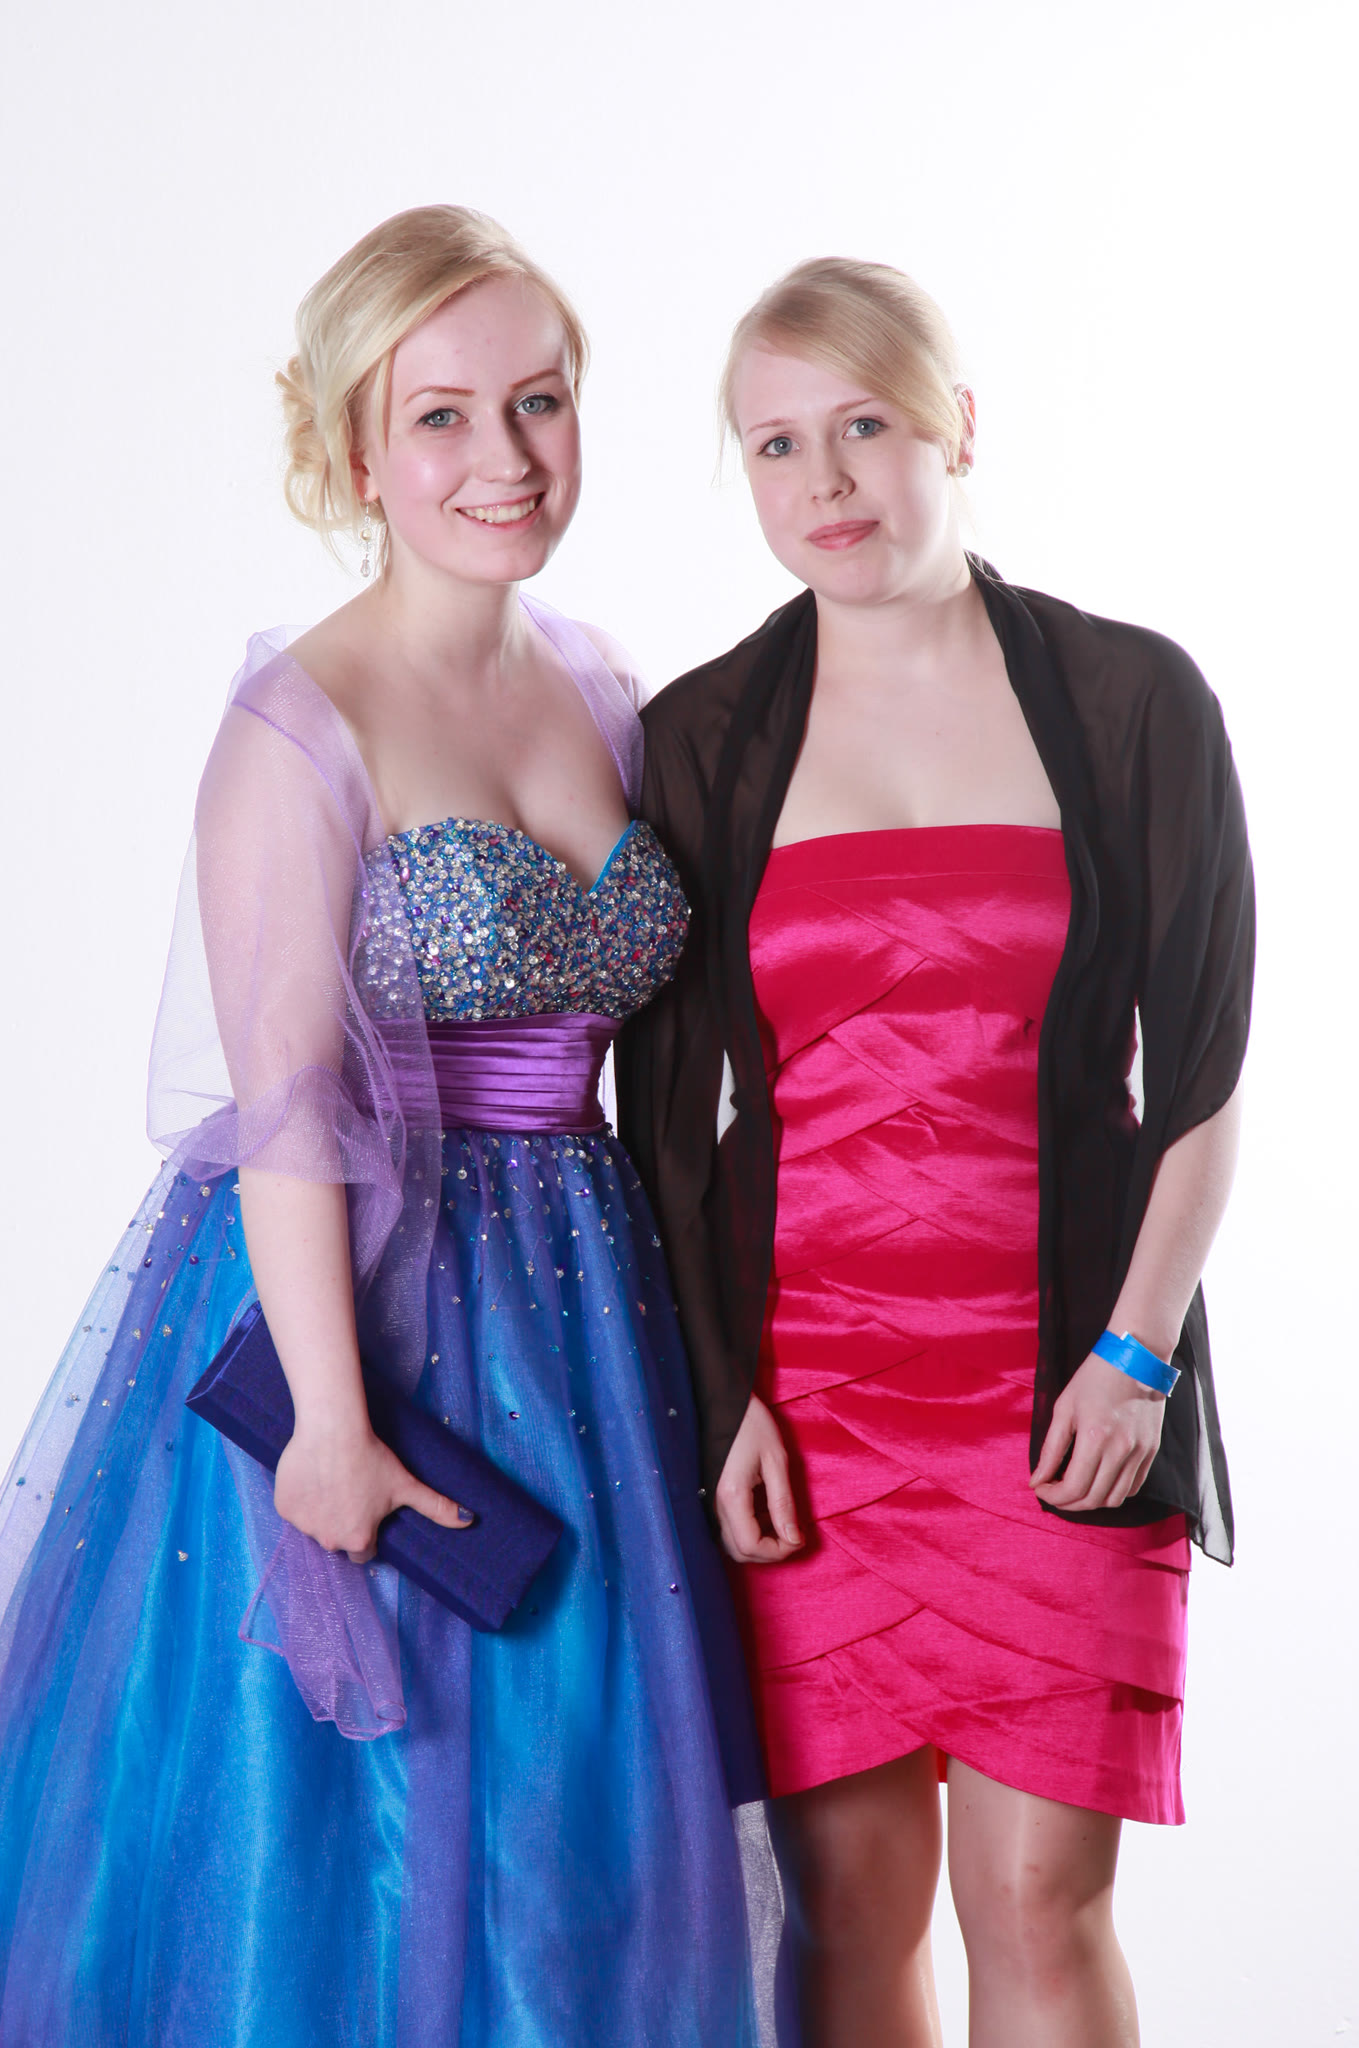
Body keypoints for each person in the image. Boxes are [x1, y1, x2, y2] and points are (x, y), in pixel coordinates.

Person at [0, 206, 769, 2047]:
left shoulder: (599, 680)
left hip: (589, 1315)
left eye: (539, 401)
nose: (505, 456)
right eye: (441, 416)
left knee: (574, 1817)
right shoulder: (298, 723)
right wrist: (332, 1435)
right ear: (354, 451)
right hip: (367, 1305)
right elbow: (284, 1108)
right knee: (370, 1827)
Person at [617, 256, 1253, 2048]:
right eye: (775, 445)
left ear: (958, 427)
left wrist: (1138, 1352)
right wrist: (720, 1398)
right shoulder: (699, 740)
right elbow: (665, 1127)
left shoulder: (1133, 700)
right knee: (848, 1917)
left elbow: (1204, 1074)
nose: (825, 482)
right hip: (811, 1407)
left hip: (1069, 1386)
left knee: (1041, 1911)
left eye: (865, 426)